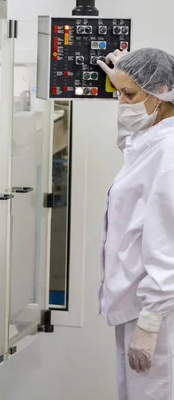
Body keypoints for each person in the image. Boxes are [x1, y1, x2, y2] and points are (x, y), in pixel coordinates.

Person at [98, 48, 174, 399]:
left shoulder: (169, 154)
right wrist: (124, 76)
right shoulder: (150, 140)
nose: (122, 104)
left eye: (129, 95)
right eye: (118, 94)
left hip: (158, 314)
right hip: (137, 305)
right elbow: (129, 146)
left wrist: (151, 320)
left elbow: (168, 243)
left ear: (161, 93)